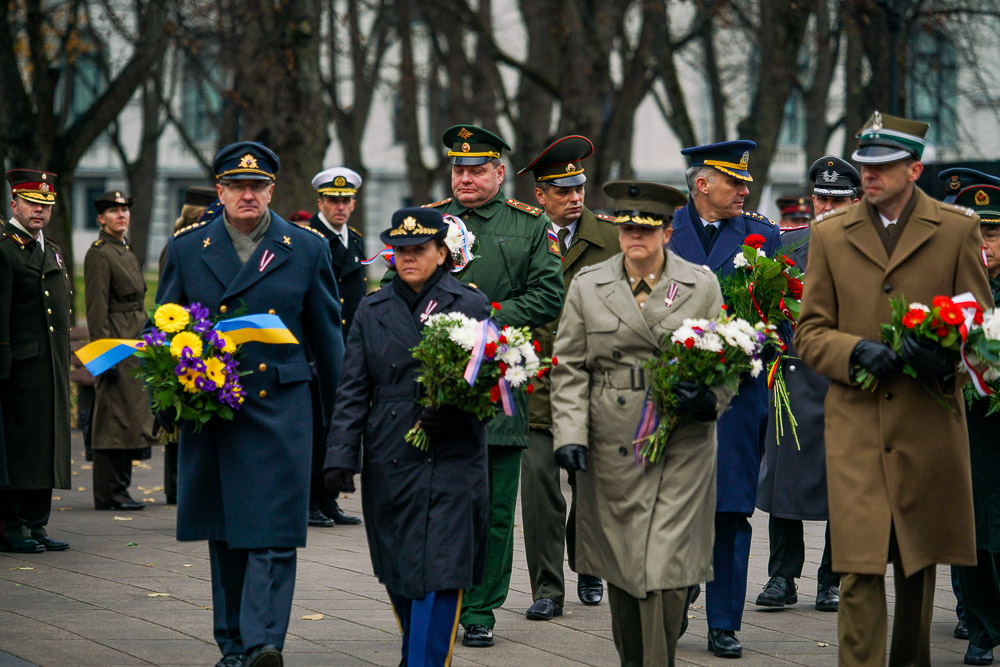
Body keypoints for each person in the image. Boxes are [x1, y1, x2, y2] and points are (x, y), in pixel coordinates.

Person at [795, 111, 991, 666]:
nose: (869, 175)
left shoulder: (957, 228)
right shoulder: (830, 234)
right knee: (857, 566)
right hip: (856, 424)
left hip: (926, 425)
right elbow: (809, 332)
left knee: (917, 566)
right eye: (865, 164)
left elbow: (981, 329)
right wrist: (853, 350)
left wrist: (944, 352)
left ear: (914, 169)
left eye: (882, 165)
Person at [155, 141, 344, 667]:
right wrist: (170, 393)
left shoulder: (304, 248)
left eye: (257, 186)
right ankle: (234, 645)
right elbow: (162, 328)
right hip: (215, 411)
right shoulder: (190, 249)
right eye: (236, 185)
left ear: (271, 190)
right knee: (227, 534)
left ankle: (265, 643)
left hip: (281, 409)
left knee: (275, 532)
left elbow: (328, 343)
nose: (247, 194)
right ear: (219, 191)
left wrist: (346, 426)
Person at [390, 124, 564, 648]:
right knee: (434, 501)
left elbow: (548, 295)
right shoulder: (428, 221)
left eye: (477, 169)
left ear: (499, 172)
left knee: (492, 505)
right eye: (459, 169)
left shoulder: (529, 225)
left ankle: (481, 611)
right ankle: (437, 598)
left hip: (498, 381)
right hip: (436, 383)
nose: (465, 178)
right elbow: (393, 285)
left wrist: (481, 318)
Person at [551, 180, 732, 666]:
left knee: (666, 566)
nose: (636, 238)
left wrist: (710, 398)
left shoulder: (700, 284)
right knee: (625, 566)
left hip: (682, 439)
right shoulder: (590, 285)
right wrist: (569, 435)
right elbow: (569, 366)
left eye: (647, 230)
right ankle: (637, 658)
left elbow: (728, 359)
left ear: (667, 234)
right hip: (613, 438)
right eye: (628, 228)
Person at [324, 206, 491, 667]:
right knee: (400, 569)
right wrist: (340, 456)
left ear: (442, 252)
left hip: (455, 452)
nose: (408, 258)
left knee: (443, 568)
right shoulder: (373, 309)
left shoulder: (471, 304)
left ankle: (423, 662)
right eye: (400, 250)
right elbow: (353, 387)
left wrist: (459, 412)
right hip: (391, 449)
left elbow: (492, 383)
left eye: (419, 249)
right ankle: (416, 654)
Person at [667, 140, 781, 658]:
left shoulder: (764, 236)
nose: (743, 190)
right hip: (674, 392)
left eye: (745, 182)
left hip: (738, 396)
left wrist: (755, 341)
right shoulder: (664, 228)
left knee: (732, 510)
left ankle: (724, 622)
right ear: (703, 184)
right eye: (734, 182)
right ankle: (673, 596)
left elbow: (783, 316)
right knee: (672, 504)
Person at [513, 135, 618, 619]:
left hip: (593, 385)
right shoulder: (522, 237)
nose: (575, 196)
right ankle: (547, 588)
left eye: (578, 187)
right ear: (541, 195)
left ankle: (588, 561)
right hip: (533, 381)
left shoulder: (612, 238)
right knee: (539, 488)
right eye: (562, 190)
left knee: (590, 485)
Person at [755, 155, 860, 614]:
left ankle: (833, 578)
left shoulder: (875, 251)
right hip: (794, 376)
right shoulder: (788, 245)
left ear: (856, 201)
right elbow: (765, 308)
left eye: (839, 200)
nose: (829, 208)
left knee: (845, 481)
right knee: (785, 484)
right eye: (823, 198)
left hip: (847, 378)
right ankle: (782, 575)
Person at [0, 169, 72, 554]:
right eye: (31, 203)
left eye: (45, 205)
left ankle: (36, 522)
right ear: (14, 204)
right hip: (20, 367)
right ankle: (13, 526)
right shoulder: (5, 247)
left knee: (47, 443)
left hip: (51, 366)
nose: (39, 211)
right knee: (20, 446)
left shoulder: (52, 247)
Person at [84, 191, 156, 511]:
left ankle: (121, 488)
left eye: (124, 210)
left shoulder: (124, 248)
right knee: (112, 418)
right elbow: (96, 307)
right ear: (100, 219)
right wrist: (103, 355)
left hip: (134, 337)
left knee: (128, 417)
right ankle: (109, 492)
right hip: (115, 340)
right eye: (113, 211)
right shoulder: (99, 253)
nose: (121, 215)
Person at [953, 182, 1000, 666]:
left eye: (994, 232)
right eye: (977, 233)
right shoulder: (956, 289)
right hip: (965, 426)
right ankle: (981, 628)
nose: (984, 243)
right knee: (972, 534)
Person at [304, 166, 366, 527]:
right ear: (320, 202)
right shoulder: (308, 239)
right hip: (317, 348)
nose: (339, 207)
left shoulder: (353, 241)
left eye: (345, 200)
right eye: (332, 200)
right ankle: (310, 500)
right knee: (315, 427)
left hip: (346, 347)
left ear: (353, 203)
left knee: (338, 428)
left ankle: (329, 499)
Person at [159, 185, 217, 506]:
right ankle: (176, 488)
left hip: (200, 339)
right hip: (185, 337)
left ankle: (180, 488)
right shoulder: (181, 244)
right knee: (179, 424)